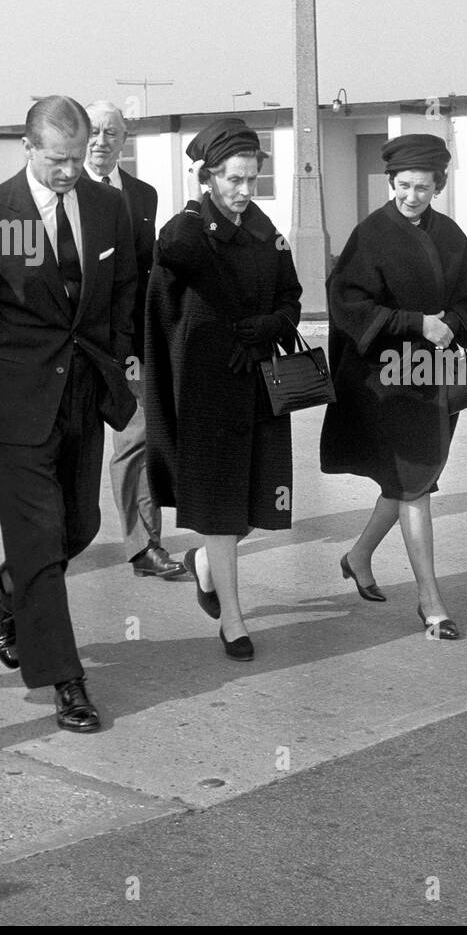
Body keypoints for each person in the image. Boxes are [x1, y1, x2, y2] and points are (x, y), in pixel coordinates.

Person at [0, 96, 137, 733]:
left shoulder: (108, 207)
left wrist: (124, 358)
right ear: (27, 149)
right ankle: (65, 679)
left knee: (77, 526)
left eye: (78, 159)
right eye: (57, 160)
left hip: (84, 395)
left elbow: (125, 289)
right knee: (38, 544)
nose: (70, 171)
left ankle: (6, 590)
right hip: (18, 405)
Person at [145, 118, 303, 662]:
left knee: (259, 500)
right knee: (219, 504)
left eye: (251, 180)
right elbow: (173, 250)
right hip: (206, 388)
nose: (242, 191)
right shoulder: (190, 228)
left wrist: (273, 325)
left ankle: (205, 565)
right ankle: (233, 619)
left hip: (258, 382)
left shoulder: (266, 231)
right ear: (208, 178)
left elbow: (292, 297)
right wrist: (193, 201)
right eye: (232, 180)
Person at [321, 133, 467, 640]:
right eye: (403, 186)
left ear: (439, 186)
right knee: (415, 483)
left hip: (435, 378)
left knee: (412, 477)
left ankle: (358, 555)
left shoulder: (452, 236)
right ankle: (431, 601)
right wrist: (416, 323)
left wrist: (451, 324)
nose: (412, 196)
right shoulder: (370, 235)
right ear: (390, 183)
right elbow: (347, 303)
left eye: (423, 188)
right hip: (387, 381)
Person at [82, 101, 187, 582]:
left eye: (111, 134)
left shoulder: (143, 195)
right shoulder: (66, 192)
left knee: (136, 440)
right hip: (80, 344)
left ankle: (144, 544)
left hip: (132, 342)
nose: (101, 142)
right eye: (93, 132)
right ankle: (55, 541)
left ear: (125, 141)